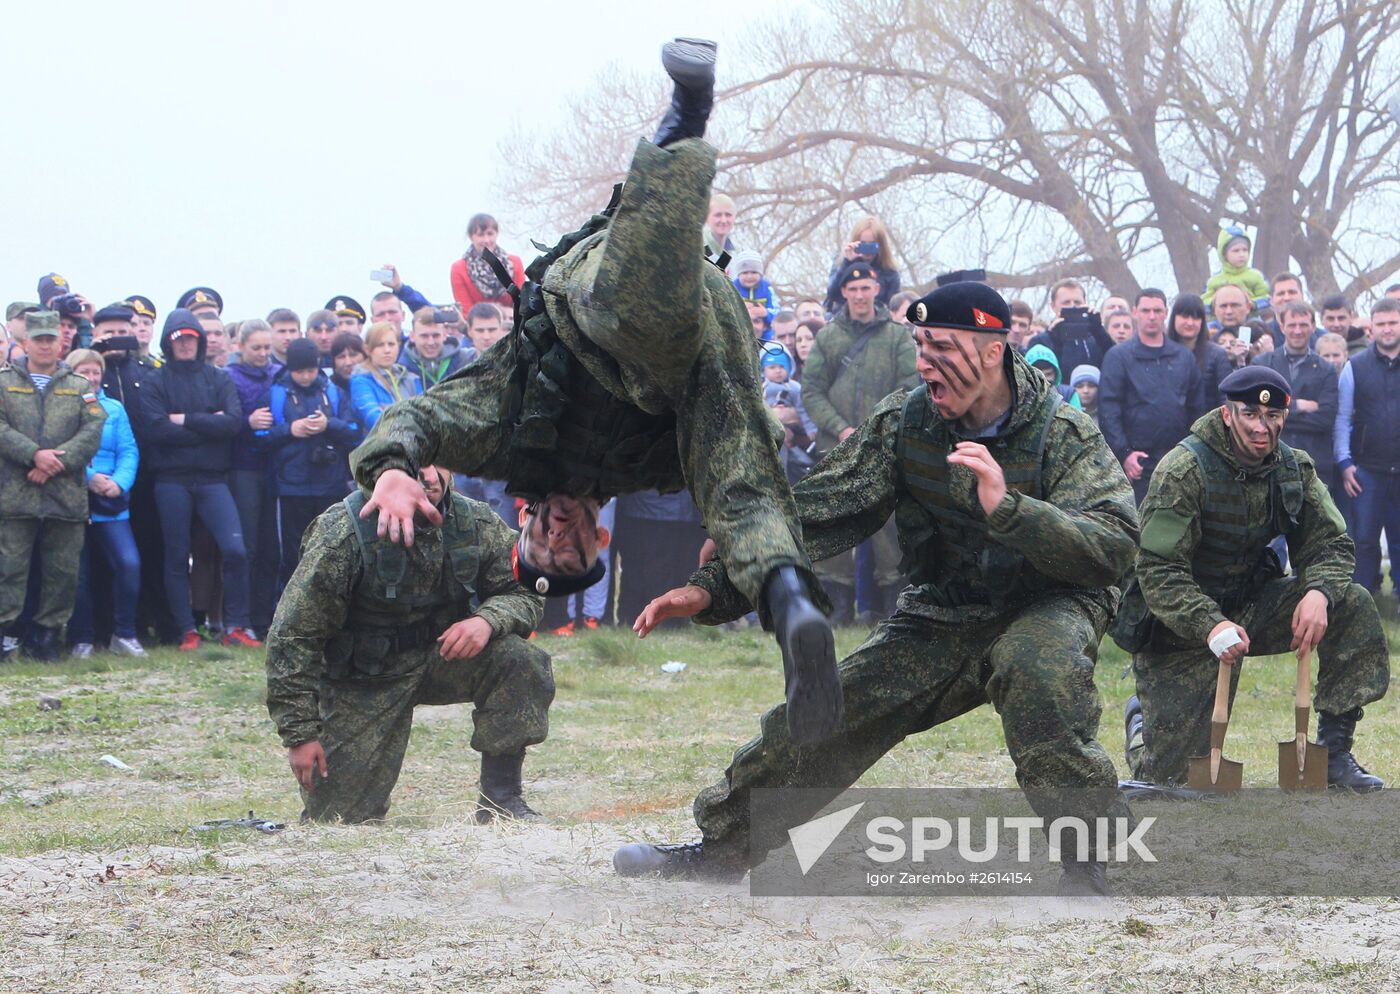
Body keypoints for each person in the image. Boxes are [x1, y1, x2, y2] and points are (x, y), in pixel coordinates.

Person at [351, 39, 842, 747]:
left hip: (602, 298)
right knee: (738, 480)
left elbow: (417, 416)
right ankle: (791, 600)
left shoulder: (506, 439)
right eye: (573, 549)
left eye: (544, 544)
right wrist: (728, 546)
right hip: (702, 346)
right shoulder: (653, 471)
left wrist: (391, 471)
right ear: (600, 539)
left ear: (524, 523)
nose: (558, 535)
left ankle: (791, 602)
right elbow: (748, 460)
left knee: (638, 314)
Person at [615, 281, 1140, 894]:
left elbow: (1114, 545)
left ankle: (1088, 865)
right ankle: (720, 852)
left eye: (941, 347)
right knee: (828, 712)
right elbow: (819, 508)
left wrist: (1011, 509)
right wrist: (716, 584)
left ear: (992, 350)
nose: (924, 362)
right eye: (920, 345)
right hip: (944, 612)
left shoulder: (1064, 433)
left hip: (1050, 600)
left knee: (1037, 668)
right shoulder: (908, 421)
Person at [1122, 366, 1386, 791]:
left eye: (1273, 417)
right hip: (1181, 623)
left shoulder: (1292, 468)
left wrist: (1319, 592)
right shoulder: (1184, 470)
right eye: (1250, 415)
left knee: (1350, 601)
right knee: (1173, 780)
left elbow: (1330, 543)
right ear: (1228, 415)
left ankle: (1334, 753)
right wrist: (1211, 624)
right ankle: (1140, 724)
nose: (1262, 428)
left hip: (1251, 604)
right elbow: (1158, 570)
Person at [265, 465, 551, 823]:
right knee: (339, 821)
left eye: (439, 461)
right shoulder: (344, 532)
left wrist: (486, 620)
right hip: (364, 677)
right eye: (414, 465)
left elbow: (524, 587)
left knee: (519, 660)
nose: (428, 475)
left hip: (441, 657)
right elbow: (293, 636)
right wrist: (300, 734)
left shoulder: (473, 521)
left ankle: (501, 800)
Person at [801, 262, 918, 620]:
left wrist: (877, 429)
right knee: (835, 521)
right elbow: (812, 391)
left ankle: (891, 609)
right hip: (835, 446)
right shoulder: (828, 336)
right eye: (853, 289)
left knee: (888, 528)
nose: (860, 295)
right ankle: (837, 606)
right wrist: (840, 428)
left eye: (866, 288)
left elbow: (910, 389)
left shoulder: (897, 337)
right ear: (844, 293)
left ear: (876, 290)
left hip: (883, 446)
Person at [139, 309, 261, 651]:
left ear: (200, 341)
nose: (186, 345)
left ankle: (238, 624)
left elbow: (232, 424)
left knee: (235, 550)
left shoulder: (218, 378)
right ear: (168, 343)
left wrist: (183, 420)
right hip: (171, 480)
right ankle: (186, 629)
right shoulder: (155, 381)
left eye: (191, 338)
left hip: (212, 480)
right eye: (179, 339)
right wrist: (207, 424)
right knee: (177, 556)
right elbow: (157, 430)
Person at [0, 312, 106, 661]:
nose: (45, 345)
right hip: (14, 495)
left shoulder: (78, 386)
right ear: (25, 342)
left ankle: (47, 638)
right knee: (9, 570)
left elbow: (92, 431)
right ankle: (8, 638)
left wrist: (53, 463)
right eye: (39, 339)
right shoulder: (3, 382)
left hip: (65, 496)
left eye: (51, 339)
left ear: (61, 342)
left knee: (62, 573)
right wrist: (34, 455)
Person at [64, 350, 144, 658]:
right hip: (76, 496)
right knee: (79, 572)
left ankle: (124, 634)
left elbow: (128, 449)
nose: (93, 378)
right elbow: (62, 448)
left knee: (128, 563)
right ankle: (82, 638)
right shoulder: (63, 407)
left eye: (96, 372)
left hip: (112, 499)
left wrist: (119, 482)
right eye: (85, 371)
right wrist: (90, 477)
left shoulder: (115, 408)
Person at [265, 339, 362, 583]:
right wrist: (291, 430)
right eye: (299, 371)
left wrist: (328, 425)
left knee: (332, 549)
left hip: (330, 484)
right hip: (291, 487)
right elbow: (259, 439)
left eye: (310, 370)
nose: (305, 376)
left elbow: (354, 432)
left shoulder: (332, 392)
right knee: (293, 552)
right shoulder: (276, 393)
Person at [1098, 289, 1204, 503]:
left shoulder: (1183, 357)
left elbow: (1197, 408)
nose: (1152, 316)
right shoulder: (1118, 357)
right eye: (1146, 310)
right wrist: (1124, 453)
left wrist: (1193, 450)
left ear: (1166, 313)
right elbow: (1109, 410)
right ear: (1135, 312)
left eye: (1157, 310)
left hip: (1179, 457)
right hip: (1138, 462)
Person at [1334, 297, 1400, 603]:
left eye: (1393, 323)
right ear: (1371, 328)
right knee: (1363, 539)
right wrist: (1344, 462)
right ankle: (1364, 599)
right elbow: (1343, 417)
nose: (1388, 329)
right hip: (1366, 471)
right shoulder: (1355, 367)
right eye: (1382, 324)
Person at [1251, 300, 1338, 487]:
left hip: (1314, 466)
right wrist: (1298, 406)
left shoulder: (1326, 370)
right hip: (1269, 461)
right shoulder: (1262, 364)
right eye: (1292, 325)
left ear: (1313, 327)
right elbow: (1255, 411)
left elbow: (1326, 420)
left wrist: (1276, 413)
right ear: (1282, 327)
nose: (1297, 331)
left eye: (1303, 325)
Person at [1167, 293, 1232, 415]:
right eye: (1184, 316)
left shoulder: (1217, 355)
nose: (1190, 323)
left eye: (1196, 318)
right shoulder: (1162, 352)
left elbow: (1226, 398)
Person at [350, 321, 423, 430]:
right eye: (380, 345)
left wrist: (389, 411)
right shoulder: (361, 380)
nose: (387, 350)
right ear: (367, 349)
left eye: (391, 344)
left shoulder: (411, 378)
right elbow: (374, 419)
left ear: (398, 346)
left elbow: (424, 416)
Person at [822, 216, 901, 314]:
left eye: (872, 245)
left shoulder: (889, 269)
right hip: (842, 317)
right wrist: (847, 263)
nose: (867, 250)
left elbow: (893, 305)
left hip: (877, 319)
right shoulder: (842, 261)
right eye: (863, 244)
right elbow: (832, 294)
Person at [451, 213, 526, 313]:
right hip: (478, 325)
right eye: (480, 235)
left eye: (490, 234)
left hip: (513, 323)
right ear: (471, 237)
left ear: (496, 234)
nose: (486, 240)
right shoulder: (459, 269)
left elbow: (521, 302)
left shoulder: (515, 263)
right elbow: (466, 310)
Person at [399, 307, 472, 389]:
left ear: (445, 334)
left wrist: (464, 328)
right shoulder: (401, 369)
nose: (431, 342)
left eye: (436, 335)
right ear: (412, 336)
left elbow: (488, 353)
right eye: (424, 336)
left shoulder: (463, 358)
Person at [1203, 226, 1269, 305]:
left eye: (1245, 250)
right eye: (1236, 251)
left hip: (1250, 316)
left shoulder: (1256, 276)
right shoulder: (1214, 281)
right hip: (1221, 316)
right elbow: (1204, 301)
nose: (1241, 255)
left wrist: (1251, 304)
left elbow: (1266, 297)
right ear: (1224, 254)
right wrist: (1217, 303)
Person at [731, 251, 779, 327]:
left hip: (763, 331)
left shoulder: (767, 289)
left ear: (760, 274)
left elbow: (777, 313)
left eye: (754, 272)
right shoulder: (732, 287)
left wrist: (766, 313)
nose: (749, 276)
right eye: (745, 273)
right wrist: (740, 308)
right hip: (738, 328)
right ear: (738, 274)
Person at [327, 331, 367, 397]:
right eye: (341, 357)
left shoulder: (379, 384)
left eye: (353, 355)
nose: (348, 363)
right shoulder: (327, 390)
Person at [703, 192, 737, 264]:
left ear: (734, 218)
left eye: (728, 215)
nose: (723, 220)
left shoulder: (738, 252)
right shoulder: (699, 246)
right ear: (707, 218)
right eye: (718, 215)